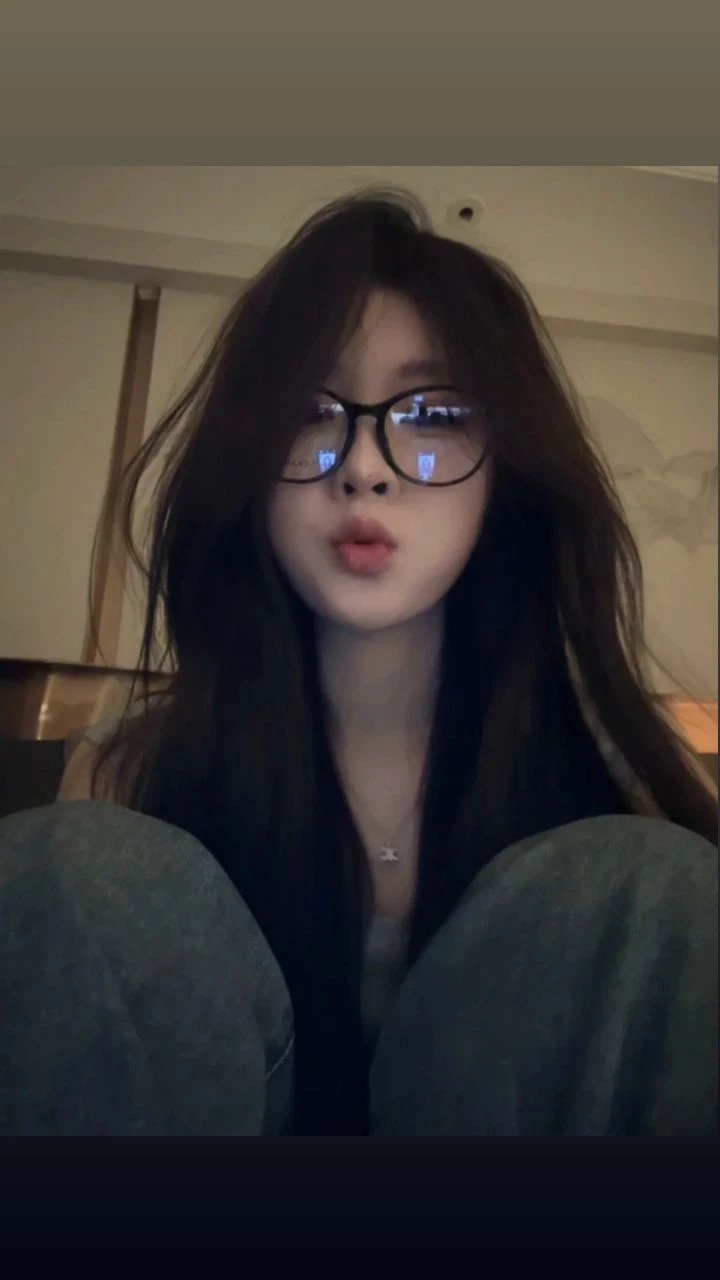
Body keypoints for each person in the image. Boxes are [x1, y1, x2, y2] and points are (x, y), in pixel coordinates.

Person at [0, 190, 716, 1137]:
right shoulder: (128, 778)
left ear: (508, 472)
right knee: (77, 869)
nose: (365, 467)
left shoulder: (618, 785)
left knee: (650, 882)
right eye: (309, 410)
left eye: (435, 413)